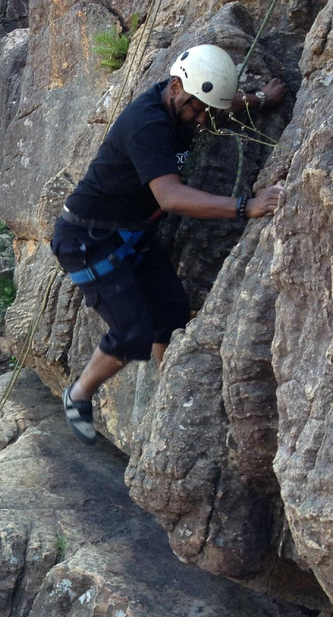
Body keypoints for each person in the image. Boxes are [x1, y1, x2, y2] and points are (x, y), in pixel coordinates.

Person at [50, 43, 287, 444]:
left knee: (173, 312)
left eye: (204, 112)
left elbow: (217, 105)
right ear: (175, 87)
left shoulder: (188, 99)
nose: (200, 120)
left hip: (130, 232)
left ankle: (168, 393)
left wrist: (260, 99)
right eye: (195, 109)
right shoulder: (148, 125)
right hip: (88, 240)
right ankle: (78, 394)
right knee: (133, 331)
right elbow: (171, 197)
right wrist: (246, 206)